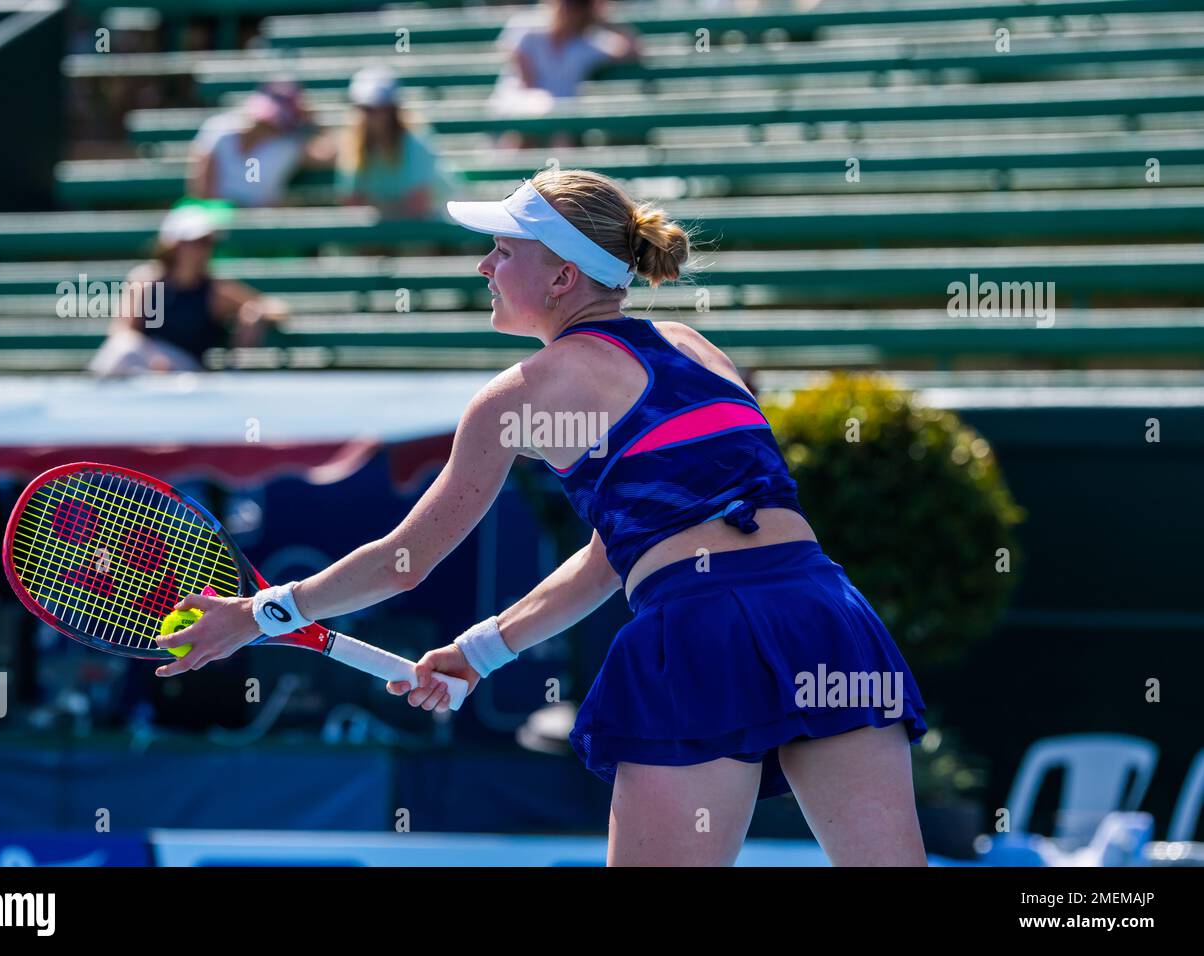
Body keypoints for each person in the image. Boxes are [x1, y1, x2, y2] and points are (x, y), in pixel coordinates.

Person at [152, 169, 929, 867]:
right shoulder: (695, 346)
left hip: (700, 632)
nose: (484, 267)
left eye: (503, 251)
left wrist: (262, 612)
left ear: (561, 276)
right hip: (824, 613)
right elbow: (617, 550)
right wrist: (482, 651)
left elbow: (405, 561)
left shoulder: (517, 398)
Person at [87, 204, 288, 375]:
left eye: (207, 243)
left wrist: (255, 311)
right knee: (122, 350)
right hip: (144, 367)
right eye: (196, 242)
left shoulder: (216, 292)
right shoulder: (146, 281)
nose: (203, 250)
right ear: (174, 246)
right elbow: (122, 332)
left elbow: (274, 307)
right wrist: (155, 358)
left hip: (186, 375)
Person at [488, 0, 642, 149]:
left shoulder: (588, 43)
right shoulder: (526, 28)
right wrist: (545, 107)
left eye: (578, 4)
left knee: (559, 127)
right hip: (520, 110)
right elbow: (527, 87)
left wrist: (600, 20)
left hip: (560, 119)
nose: (569, 8)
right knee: (535, 124)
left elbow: (630, 49)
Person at [333, 66, 461, 220]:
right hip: (392, 229)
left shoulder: (417, 137)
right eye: (367, 109)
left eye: (382, 108)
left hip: (433, 223)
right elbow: (351, 200)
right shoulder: (351, 142)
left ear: (393, 110)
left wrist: (380, 211)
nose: (374, 117)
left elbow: (420, 203)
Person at [188, 81, 337, 207]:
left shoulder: (287, 147)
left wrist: (314, 123)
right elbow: (202, 191)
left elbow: (330, 153)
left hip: (254, 220)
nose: (260, 126)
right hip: (213, 213)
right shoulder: (218, 128)